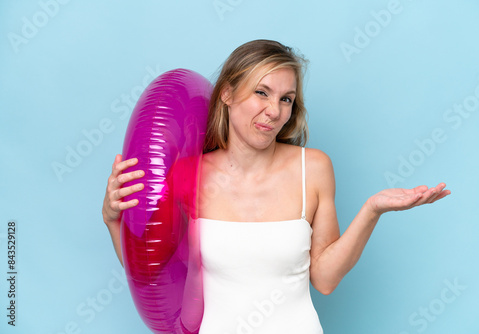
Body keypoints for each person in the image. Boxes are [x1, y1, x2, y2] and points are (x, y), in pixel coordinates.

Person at [102, 39, 450, 333]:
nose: (274, 111)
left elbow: (325, 280)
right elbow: (152, 275)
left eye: (286, 99)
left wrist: (372, 210)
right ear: (227, 94)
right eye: (262, 93)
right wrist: (113, 221)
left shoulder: (313, 168)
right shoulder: (187, 175)